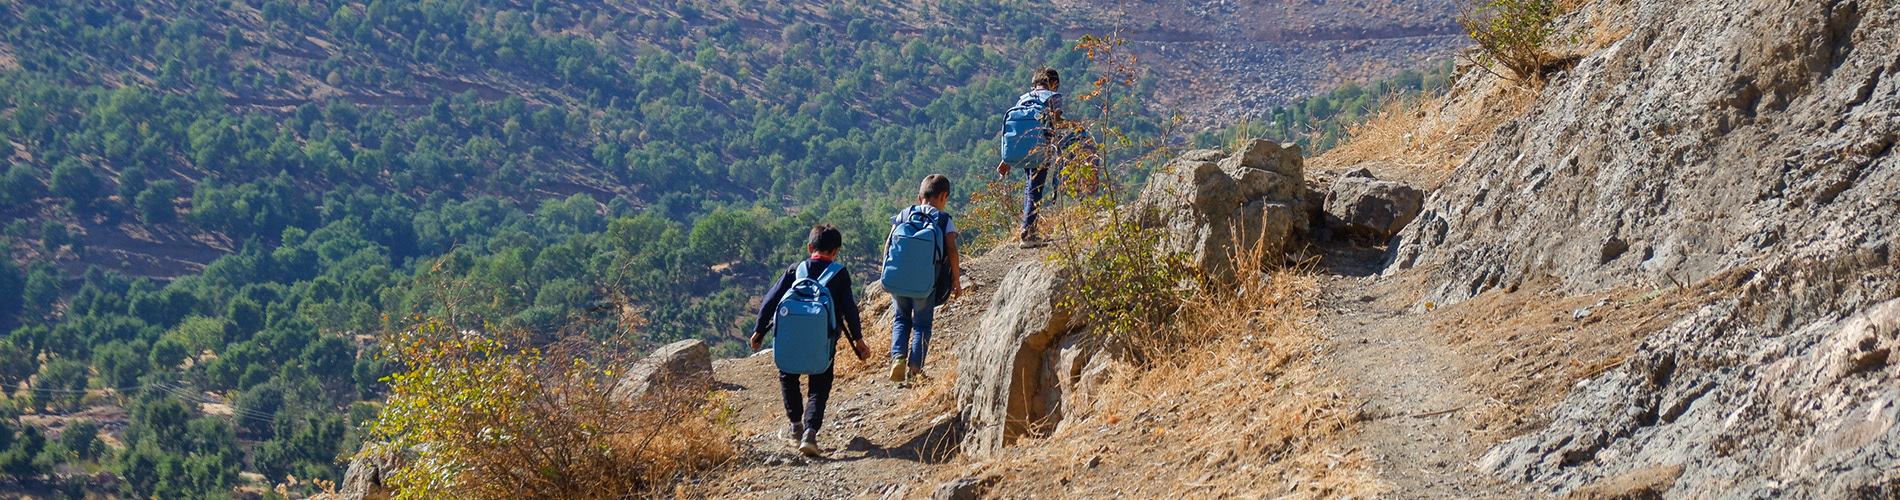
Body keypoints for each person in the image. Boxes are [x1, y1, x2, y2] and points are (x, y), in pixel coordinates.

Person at [750, 225, 872, 456]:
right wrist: (858, 340)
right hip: (823, 342)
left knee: (788, 375)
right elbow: (849, 308)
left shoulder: (795, 270)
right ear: (836, 251)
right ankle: (810, 433)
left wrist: (759, 330)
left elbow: (770, 299)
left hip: (790, 338)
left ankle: (795, 424)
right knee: (819, 386)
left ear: (809, 247)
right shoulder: (839, 273)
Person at [885, 175, 962, 382]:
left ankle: (898, 360)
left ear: (920, 197)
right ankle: (915, 370)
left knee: (901, 318)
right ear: (944, 197)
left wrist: (886, 272)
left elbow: (889, 243)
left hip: (899, 280)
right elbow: (952, 250)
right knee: (922, 324)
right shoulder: (944, 219)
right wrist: (956, 280)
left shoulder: (904, 214)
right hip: (925, 284)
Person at [995, 67, 1064, 249]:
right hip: (1042, 149)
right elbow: (1056, 124)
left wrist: (1006, 159)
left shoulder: (1024, 99)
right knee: (1036, 188)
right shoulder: (1053, 97)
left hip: (1023, 149)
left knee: (1030, 186)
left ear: (1034, 84)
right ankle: (1028, 232)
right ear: (1054, 84)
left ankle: (1027, 228)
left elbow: (1015, 131)